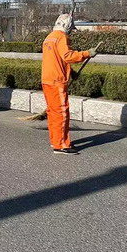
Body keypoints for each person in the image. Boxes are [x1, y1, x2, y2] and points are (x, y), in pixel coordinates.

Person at [42, 13, 98, 154]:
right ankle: (61, 145)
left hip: (47, 80)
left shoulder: (49, 37)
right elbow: (67, 56)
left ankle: (55, 140)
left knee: (53, 113)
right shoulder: (62, 37)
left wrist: (71, 72)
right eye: (71, 29)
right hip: (57, 81)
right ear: (67, 26)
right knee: (61, 113)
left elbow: (57, 60)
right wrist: (87, 53)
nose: (71, 32)